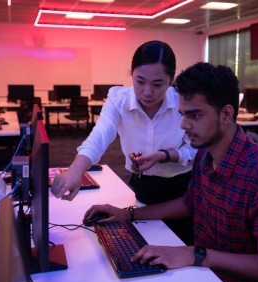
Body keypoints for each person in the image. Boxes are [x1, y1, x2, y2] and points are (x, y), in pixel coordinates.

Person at [83, 62, 258, 282]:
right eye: (182, 114)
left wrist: (196, 254)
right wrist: (129, 214)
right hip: (203, 276)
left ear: (226, 114)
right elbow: (190, 202)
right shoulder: (205, 157)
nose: (183, 125)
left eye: (194, 115)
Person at [51, 40, 197, 245]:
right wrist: (76, 170)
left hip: (181, 191)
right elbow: (99, 136)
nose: (147, 92)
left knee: (180, 249)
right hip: (142, 185)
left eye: (158, 84)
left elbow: (195, 150)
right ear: (131, 74)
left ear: (171, 80)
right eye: (140, 81)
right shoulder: (118, 99)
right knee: (144, 246)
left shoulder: (182, 101)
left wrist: (164, 155)